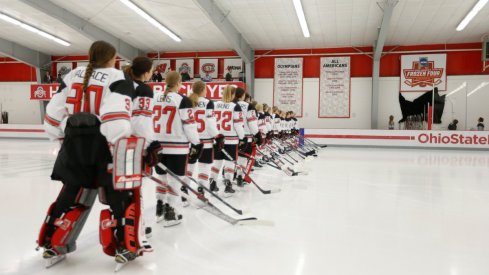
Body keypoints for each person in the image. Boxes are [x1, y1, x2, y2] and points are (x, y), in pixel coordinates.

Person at [38, 41, 158, 267]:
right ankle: (124, 245)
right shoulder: (117, 78)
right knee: (118, 197)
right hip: (104, 149)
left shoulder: (72, 74)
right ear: (113, 58)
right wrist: (141, 146)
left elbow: (53, 115)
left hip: (73, 148)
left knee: (70, 195)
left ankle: (51, 241)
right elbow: (116, 121)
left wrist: (64, 136)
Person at [153, 71, 201, 226]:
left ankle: (159, 210)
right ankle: (171, 213)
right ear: (179, 82)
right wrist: (197, 143)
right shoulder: (182, 100)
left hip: (158, 146)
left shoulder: (155, 97)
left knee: (161, 179)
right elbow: (189, 124)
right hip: (177, 148)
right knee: (174, 181)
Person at [187, 80, 224, 194]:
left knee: (190, 165)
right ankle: (202, 189)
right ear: (203, 90)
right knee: (204, 166)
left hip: (191, 140)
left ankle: (184, 187)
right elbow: (210, 122)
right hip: (206, 141)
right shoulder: (208, 103)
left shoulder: (187, 101)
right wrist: (217, 136)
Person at [210, 86, 245, 196]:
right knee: (229, 163)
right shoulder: (235, 106)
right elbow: (238, 125)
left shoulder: (215, 105)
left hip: (218, 138)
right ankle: (228, 185)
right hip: (231, 139)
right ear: (233, 94)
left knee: (217, 162)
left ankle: (212, 182)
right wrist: (242, 137)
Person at [234, 88, 262, 186]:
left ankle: (228, 176)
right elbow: (252, 124)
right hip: (245, 136)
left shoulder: (229, 104)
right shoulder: (248, 106)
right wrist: (258, 135)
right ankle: (239, 176)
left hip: (231, 136)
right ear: (243, 95)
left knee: (231, 158)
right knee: (242, 158)